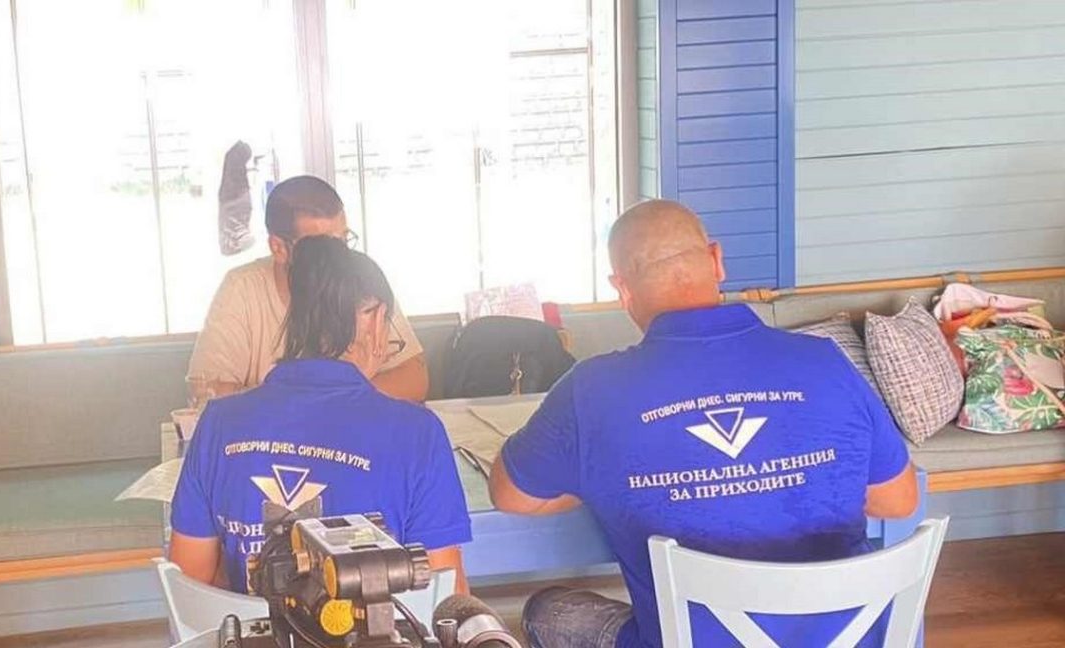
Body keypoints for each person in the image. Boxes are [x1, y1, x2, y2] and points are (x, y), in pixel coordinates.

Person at [489, 200, 919, 648]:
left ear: (622, 289)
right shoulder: (825, 362)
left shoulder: (591, 392)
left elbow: (512, 495)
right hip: (854, 639)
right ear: (716, 260)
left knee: (547, 610)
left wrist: (598, 477)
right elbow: (899, 501)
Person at [171, 236, 472, 594]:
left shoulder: (219, 423)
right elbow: (445, 597)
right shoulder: (418, 433)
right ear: (376, 319)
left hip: (248, 626)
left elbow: (188, 586)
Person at [188, 175, 429, 402]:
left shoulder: (362, 282)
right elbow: (209, 394)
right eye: (322, 248)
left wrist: (330, 401)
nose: (339, 258)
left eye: (343, 241)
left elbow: (414, 377)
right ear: (279, 248)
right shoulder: (241, 289)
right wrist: (330, 399)